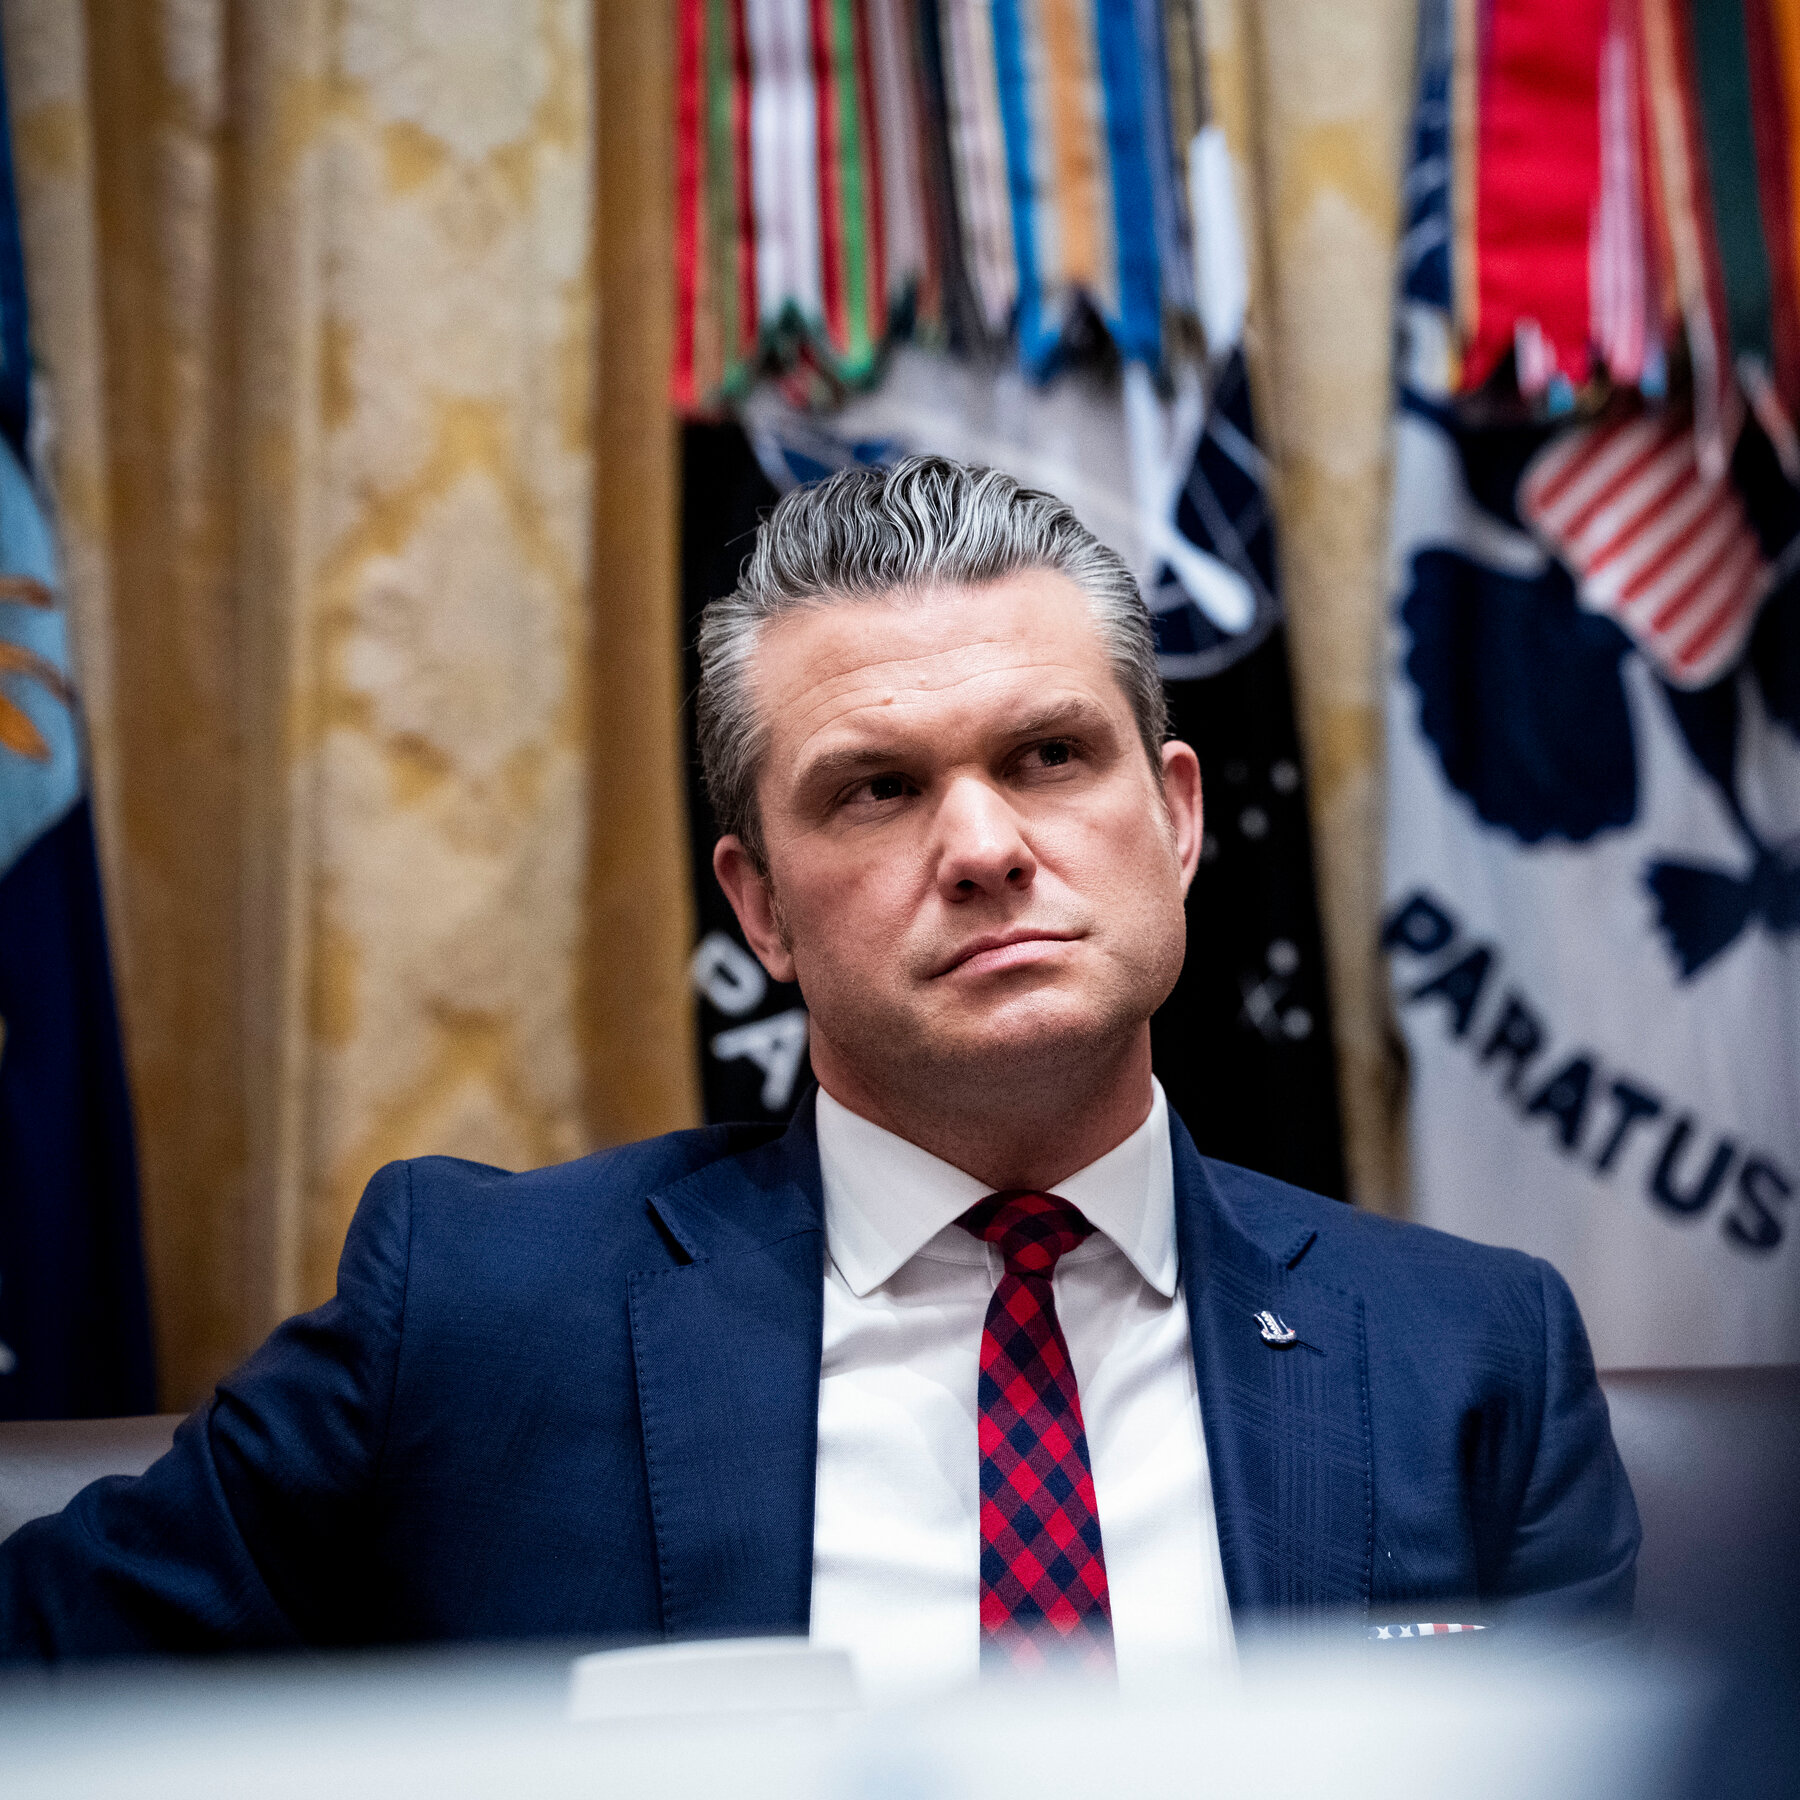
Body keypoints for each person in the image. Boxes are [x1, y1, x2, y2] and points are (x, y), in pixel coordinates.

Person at [0, 457, 1637, 1683]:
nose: (985, 847)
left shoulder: (1472, 1355)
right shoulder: (476, 1317)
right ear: (760, 907)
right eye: (877, 790)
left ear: (1180, 817)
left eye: (1050, 756)